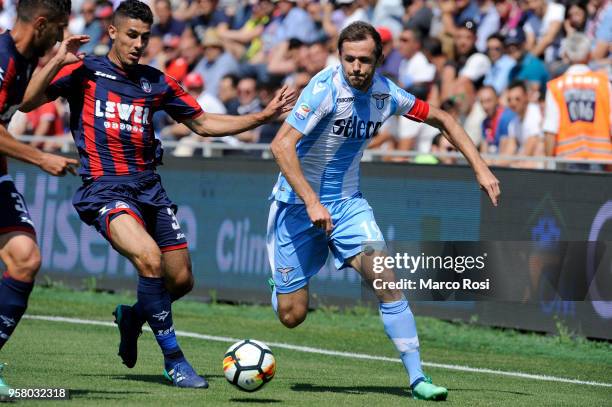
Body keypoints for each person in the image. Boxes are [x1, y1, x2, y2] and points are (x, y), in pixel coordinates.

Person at [20, 0, 295, 389]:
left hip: (149, 188)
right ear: (113, 32)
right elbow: (28, 101)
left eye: (145, 37)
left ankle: (133, 317)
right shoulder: (84, 71)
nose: (138, 44)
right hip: (104, 188)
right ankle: (175, 361)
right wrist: (57, 59)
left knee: (180, 281)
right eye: (131, 35)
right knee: (149, 259)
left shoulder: (156, 81)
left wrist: (261, 118)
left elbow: (202, 122)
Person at [267, 21, 500, 401]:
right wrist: (311, 200)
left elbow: (444, 119)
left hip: (347, 205)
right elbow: (280, 146)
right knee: (292, 316)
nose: (356, 67)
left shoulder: (387, 93)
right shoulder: (324, 89)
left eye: (364, 60)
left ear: (379, 59)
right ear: (340, 57)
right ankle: (279, 283)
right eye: (349, 59)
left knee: (386, 280)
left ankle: (417, 378)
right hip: (296, 205)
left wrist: (480, 166)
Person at [0, 0, 80, 395]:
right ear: (43, 23)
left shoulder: (24, 57)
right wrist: (40, 157)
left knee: (25, 259)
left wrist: (59, 59)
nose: (62, 36)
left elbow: (25, 101)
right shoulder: (1, 58)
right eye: (60, 29)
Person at [543, 33, 612, 171]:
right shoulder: (604, 84)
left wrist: (548, 166)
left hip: (567, 160)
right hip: (601, 159)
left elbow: (551, 130)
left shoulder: (556, 87)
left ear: (566, 55)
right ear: (589, 55)